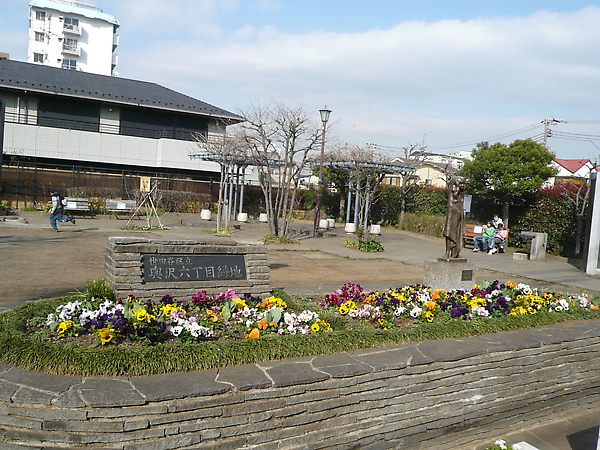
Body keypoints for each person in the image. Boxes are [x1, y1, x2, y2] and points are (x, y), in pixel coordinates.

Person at [442, 176, 466, 259]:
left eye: (463, 183)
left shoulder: (461, 194)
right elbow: (453, 199)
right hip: (452, 213)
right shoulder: (452, 192)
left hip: (459, 214)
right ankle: (447, 252)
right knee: (450, 232)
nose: (462, 185)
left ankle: (455, 252)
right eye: (460, 183)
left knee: (458, 233)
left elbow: (461, 202)